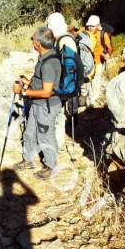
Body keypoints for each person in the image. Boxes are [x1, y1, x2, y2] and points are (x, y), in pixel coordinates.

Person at [13, 26, 62, 180]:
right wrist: (28, 82)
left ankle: (50, 166)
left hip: (46, 106)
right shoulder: (45, 58)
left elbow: (47, 92)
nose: (32, 41)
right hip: (38, 104)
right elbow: (42, 81)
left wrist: (23, 92)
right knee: (29, 132)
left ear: (38, 43)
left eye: (32, 39)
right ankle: (28, 160)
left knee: (45, 136)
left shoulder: (48, 63)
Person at [46, 12, 78, 151]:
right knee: (61, 112)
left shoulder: (62, 41)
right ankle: (59, 141)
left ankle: (57, 143)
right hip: (71, 82)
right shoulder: (69, 38)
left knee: (57, 114)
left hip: (62, 84)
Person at [84, 15, 113, 107]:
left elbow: (109, 47)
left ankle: (93, 100)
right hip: (86, 62)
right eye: (89, 26)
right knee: (87, 82)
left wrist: (108, 54)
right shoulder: (84, 32)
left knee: (96, 82)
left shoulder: (103, 34)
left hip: (98, 62)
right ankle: (89, 100)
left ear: (97, 26)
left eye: (92, 26)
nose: (90, 28)